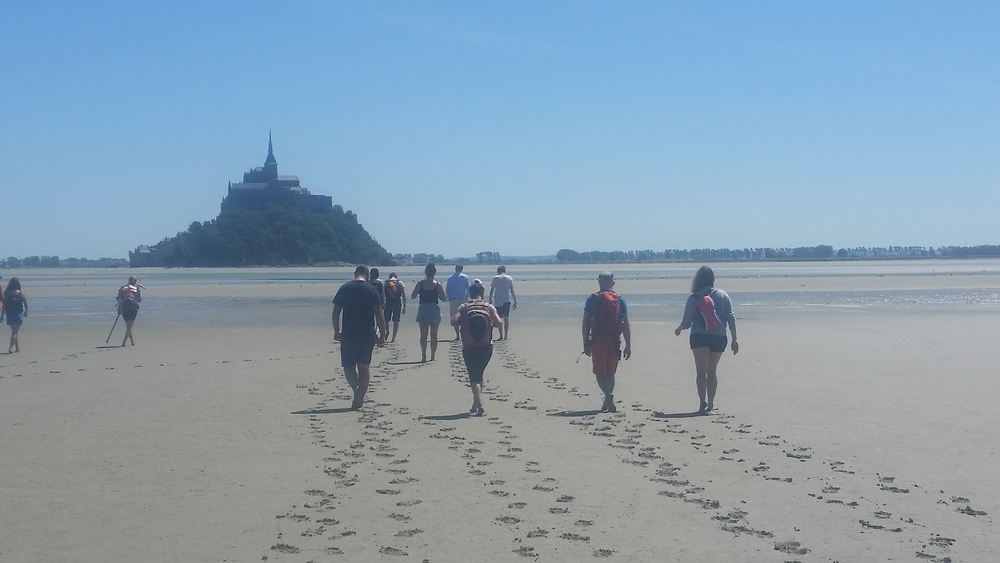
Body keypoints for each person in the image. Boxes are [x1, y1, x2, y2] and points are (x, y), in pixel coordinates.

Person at [674, 265, 739, 414]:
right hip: (719, 337)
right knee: (712, 371)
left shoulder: (693, 298)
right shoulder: (723, 295)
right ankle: (710, 404)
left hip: (699, 336)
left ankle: (701, 403)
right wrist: (735, 339)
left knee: (701, 371)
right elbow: (731, 318)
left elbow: (687, 322)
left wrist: (679, 329)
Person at [332, 265, 388, 410]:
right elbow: (379, 314)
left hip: (348, 333)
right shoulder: (372, 290)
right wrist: (382, 334)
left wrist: (336, 330)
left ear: (355, 273)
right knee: (364, 367)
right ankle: (359, 396)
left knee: (348, 366)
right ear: (367, 275)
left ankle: (357, 392)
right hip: (367, 333)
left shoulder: (344, 288)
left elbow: (336, 312)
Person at [451, 282, 503, 416]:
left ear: (470, 293)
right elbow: (498, 323)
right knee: (478, 375)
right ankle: (475, 404)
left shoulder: (464, 306)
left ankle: (479, 405)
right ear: (482, 293)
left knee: (474, 377)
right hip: (486, 346)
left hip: (469, 346)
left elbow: (453, 321)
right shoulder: (488, 306)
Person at [582, 271, 631, 413]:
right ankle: (607, 400)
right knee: (610, 373)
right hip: (615, 340)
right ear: (612, 283)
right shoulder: (620, 300)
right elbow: (625, 323)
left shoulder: (592, 299)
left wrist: (586, 342)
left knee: (599, 372)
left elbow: (585, 322)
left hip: (598, 340)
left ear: (599, 282)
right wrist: (628, 345)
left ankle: (608, 396)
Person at [411, 263, 448, 362]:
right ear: (434, 273)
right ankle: (432, 356)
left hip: (423, 308)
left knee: (423, 334)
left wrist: (420, 293)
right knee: (434, 334)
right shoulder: (437, 285)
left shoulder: (420, 284)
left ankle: (423, 356)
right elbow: (444, 298)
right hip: (434, 308)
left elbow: (413, 296)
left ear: (426, 272)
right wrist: (438, 295)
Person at [488, 265, 517, 340]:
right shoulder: (509, 278)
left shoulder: (496, 278)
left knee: (499, 318)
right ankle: (506, 335)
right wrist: (515, 301)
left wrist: (490, 299)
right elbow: (512, 290)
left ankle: (501, 335)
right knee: (506, 319)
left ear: (498, 271)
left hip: (498, 301)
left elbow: (492, 290)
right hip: (506, 301)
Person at [1, 277, 28, 354]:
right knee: (14, 333)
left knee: (14, 332)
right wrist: (26, 312)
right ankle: (10, 348)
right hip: (18, 314)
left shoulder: (8, 294)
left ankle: (17, 348)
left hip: (10, 315)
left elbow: (4, 306)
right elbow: (26, 304)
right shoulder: (20, 294)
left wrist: (2, 315)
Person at [446, 264, 471, 341]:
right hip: (463, 299)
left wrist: (448, 297)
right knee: (464, 317)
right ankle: (463, 334)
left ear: (455, 269)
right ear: (462, 269)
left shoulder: (450, 278)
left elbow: (447, 289)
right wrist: (467, 297)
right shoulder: (465, 277)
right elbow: (468, 288)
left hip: (453, 299)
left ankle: (457, 335)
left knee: (454, 317)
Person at [116, 276, 142, 347]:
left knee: (128, 326)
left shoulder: (122, 288)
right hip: (133, 308)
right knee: (129, 327)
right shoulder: (136, 289)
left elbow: (118, 297)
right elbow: (139, 299)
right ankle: (123, 343)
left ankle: (132, 342)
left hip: (124, 308)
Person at [382, 272, 407, 342]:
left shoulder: (386, 283)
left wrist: (382, 304)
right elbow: (404, 296)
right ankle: (393, 338)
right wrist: (404, 307)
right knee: (396, 321)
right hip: (397, 303)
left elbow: (383, 295)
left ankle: (387, 331)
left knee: (386, 320)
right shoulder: (400, 283)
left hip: (388, 302)